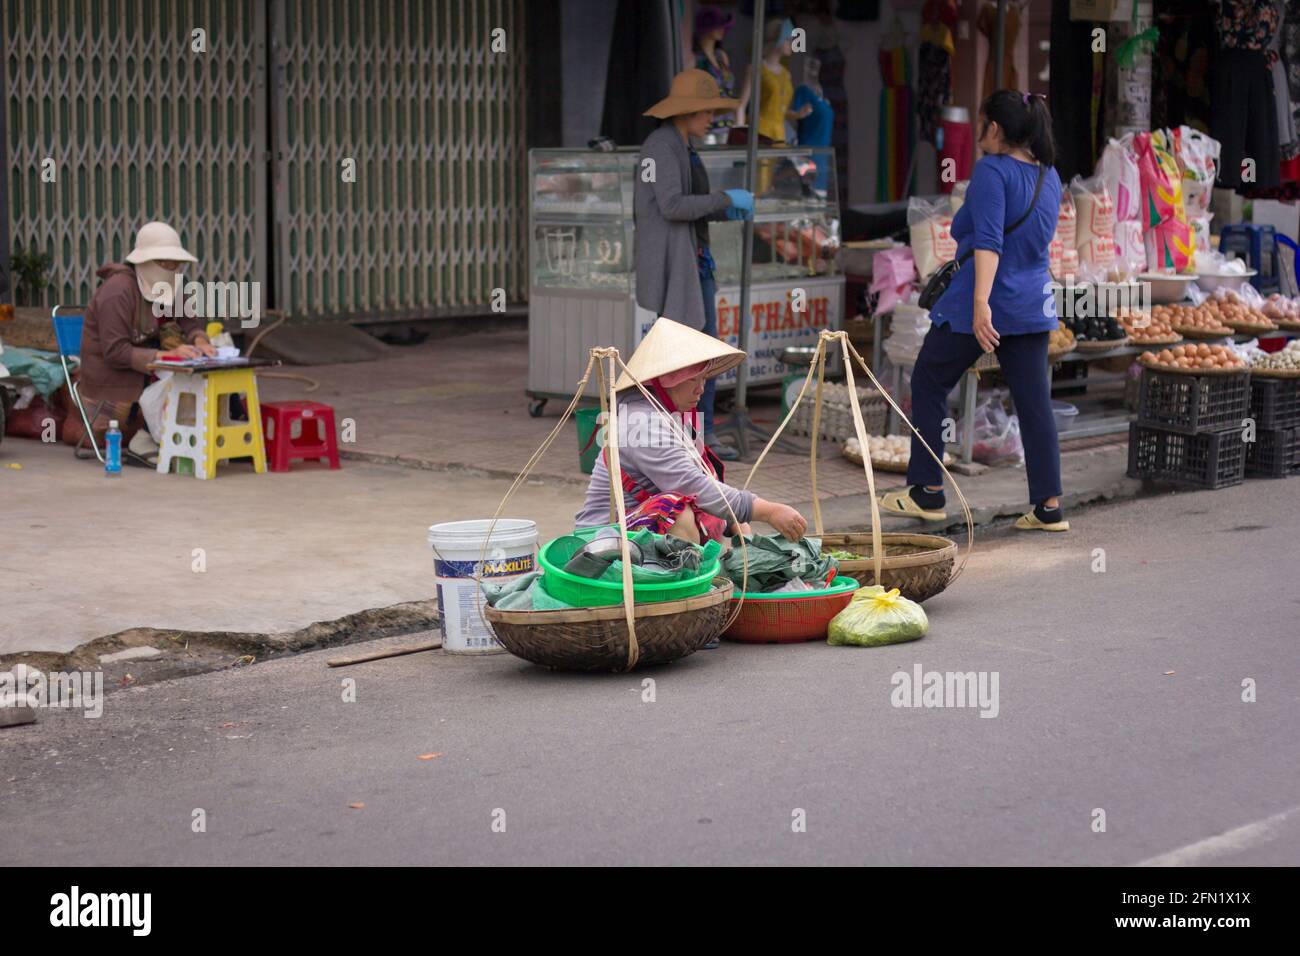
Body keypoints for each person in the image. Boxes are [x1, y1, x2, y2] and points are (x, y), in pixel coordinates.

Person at [881, 90, 1069, 532]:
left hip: (983, 302)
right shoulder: (1050, 176)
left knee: (928, 378)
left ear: (995, 130)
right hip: (1032, 303)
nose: (978, 130)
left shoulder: (992, 172)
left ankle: (927, 491)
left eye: (982, 122)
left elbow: (989, 243)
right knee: (1034, 404)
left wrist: (982, 304)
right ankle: (1049, 506)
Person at [575, 317, 807, 547]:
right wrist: (767, 511)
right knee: (677, 511)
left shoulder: (672, 415)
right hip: (604, 542)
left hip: (637, 533)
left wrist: (735, 523)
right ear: (668, 381)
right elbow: (691, 485)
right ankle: (680, 583)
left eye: (704, 378)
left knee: (724, 516)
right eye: (693, 380)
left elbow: (705, 480)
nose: (701, 389)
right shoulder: (642, 422)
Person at [638, 68, 753, 461]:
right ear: (688, 112)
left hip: (695, 259)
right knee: (689, 353)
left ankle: (697, 434)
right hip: (677, 265)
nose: (711, 119)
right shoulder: (660, 146)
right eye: (706, 112)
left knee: (700, 350)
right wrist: (725, 199)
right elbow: (671, 206)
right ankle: (691, 437)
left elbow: (690, 205)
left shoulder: (683, 146)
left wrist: (724, 209)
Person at [65, 221, 215, 462]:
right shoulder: (117, 292)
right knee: (182, 379)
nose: (170, 268)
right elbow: (115, 351)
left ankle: (209, 439)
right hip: (114, 374)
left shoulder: (174, 287)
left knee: (207, 376)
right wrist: (164, 357)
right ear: (143, 261)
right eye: (163, 263)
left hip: (152, 365)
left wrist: (200, 340)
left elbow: (190, 323)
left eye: (174, 263)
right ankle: (144, 439)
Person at [736, 18, 812, 147]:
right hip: (759, 133)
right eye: (788, 40)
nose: (792, 44)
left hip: (779, 135)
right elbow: (741, 105)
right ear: (779, 41)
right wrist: (739, 138)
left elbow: (778, 110)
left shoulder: (785, 74)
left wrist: (798, 114)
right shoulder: (757, 68)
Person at [693, 6, 738, 142]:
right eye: (717, 26)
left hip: (726, 123)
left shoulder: (721, 57)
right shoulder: (696, 59)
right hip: (706, 125)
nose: (721, 29)